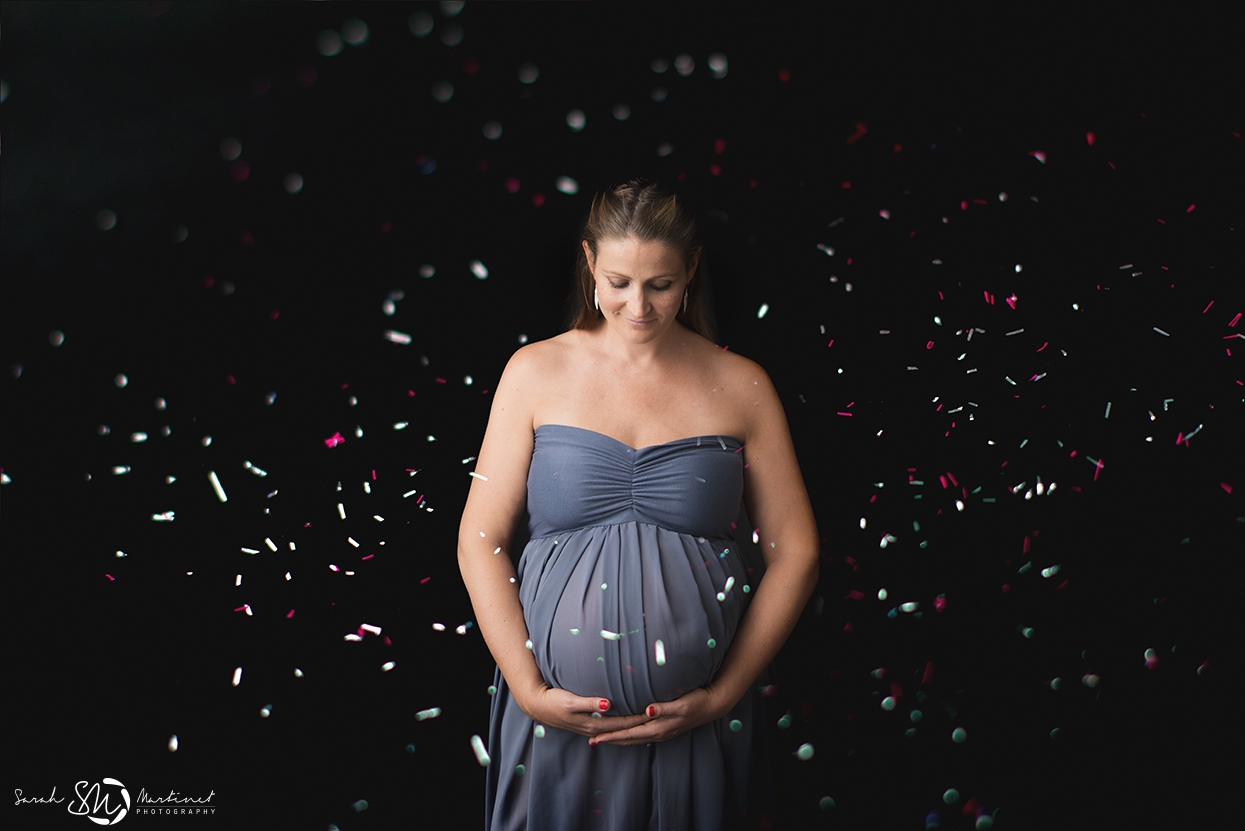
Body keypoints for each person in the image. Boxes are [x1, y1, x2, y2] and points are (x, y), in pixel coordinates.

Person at [458, 179, 819, 830]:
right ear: (590, 261)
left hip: (698, 727)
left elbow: (796, 551)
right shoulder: (532, 372)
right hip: (555, 728)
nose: (638, 306)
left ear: (691, 272)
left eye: (660, 285)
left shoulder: (742, 385)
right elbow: (479, 539)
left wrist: (722, 694)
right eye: (619, 281)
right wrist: (526, 688)